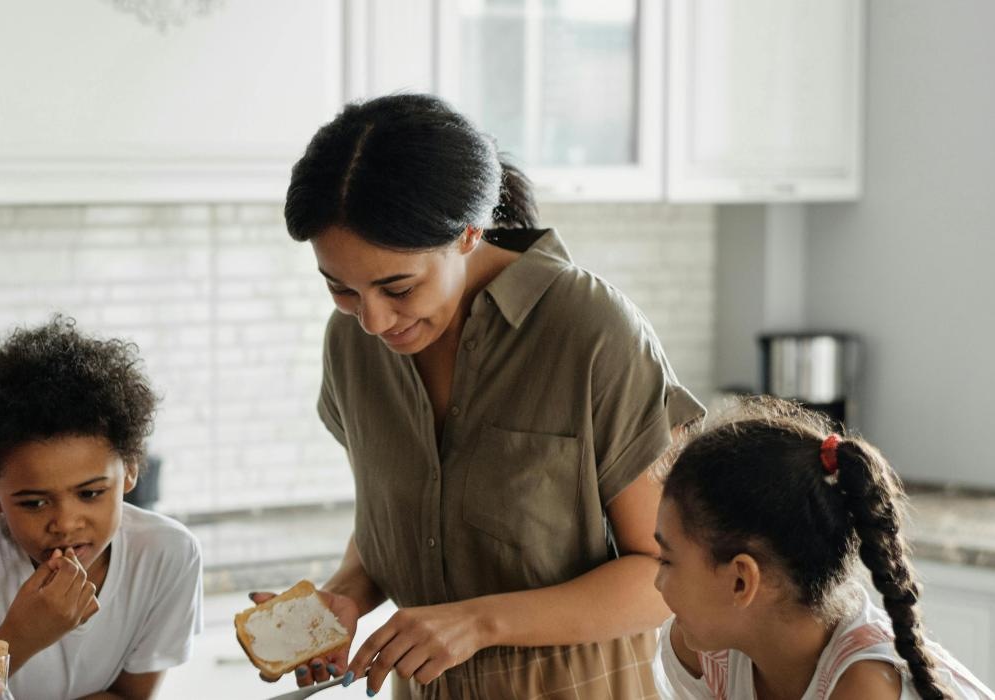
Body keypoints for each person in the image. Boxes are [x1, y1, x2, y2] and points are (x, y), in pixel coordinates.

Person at [260, 93, 705, 697]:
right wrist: (346, 596)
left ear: (469, 234)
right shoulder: (351, 344)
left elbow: (666, 575)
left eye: (398, 287)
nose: (373, 321)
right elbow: (397, 526)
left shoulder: (591, 332)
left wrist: (478, 622)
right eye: (340, 289)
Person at [0, 316, 203, 700]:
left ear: (130, 471)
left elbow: (130, 696)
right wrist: (19, 639)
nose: (65, 524)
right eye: (34, 503)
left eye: (91, 493)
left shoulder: (167, 554)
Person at [652, 397, 995, 699]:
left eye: (667, 560)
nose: (656, 582)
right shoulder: (704, 652)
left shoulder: (867, 687)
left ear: (741, 581)